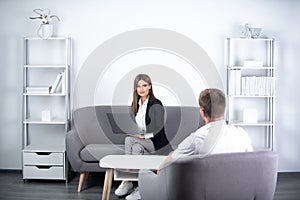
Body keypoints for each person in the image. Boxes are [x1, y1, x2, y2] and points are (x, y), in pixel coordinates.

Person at [157, 88, 253, 174]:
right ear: (224, 110)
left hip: (208, 191)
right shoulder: (241, 134)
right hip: (238, 191)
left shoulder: (197, 138)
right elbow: (251, 163)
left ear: (202, 112)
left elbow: (164, 167)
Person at [115, 74, 170, 200]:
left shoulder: (156, 104)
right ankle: (140, 188)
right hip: (144, 143)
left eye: (144, 85)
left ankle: (127, 180)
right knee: (136, 149)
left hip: (157, 143)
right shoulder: (136, 105)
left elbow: (159, 129)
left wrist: (142, 136)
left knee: (129, 140)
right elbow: (141, 126)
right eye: (138, 86)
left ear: (150, 87)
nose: (141, 89)